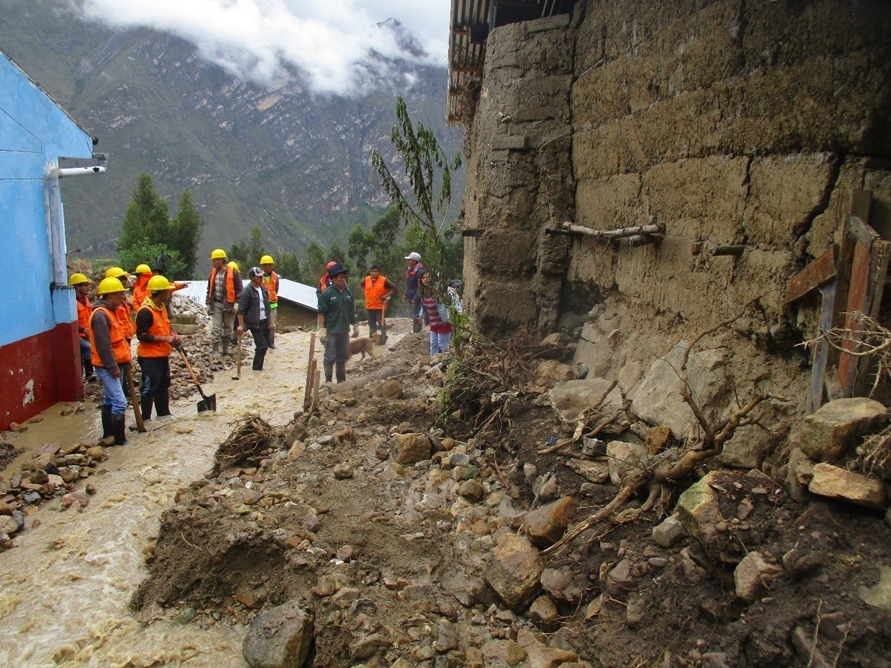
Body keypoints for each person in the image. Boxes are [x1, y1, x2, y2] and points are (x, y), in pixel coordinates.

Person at [89, 277, 133, 445]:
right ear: (111, 295)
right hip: (107, 365)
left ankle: (108, 435)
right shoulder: (101, 315)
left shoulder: (111, 311)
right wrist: (113, 367)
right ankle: (120, 441)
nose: (123, 297)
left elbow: (120, 340)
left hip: (117, 363)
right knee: (120, 402)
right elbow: (104, 346)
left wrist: (126, 360)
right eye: (121, 293)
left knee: (110, 399)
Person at [135, 275, 182, 422]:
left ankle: (164, 415)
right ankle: (145, 419)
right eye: (167, 292)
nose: (169, 294)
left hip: (162, 354)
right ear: (161, 293)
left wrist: (173, 335)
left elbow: (166, 327)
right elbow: (142, 336)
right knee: (150, 386)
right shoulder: (145, 311)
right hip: (149, 357)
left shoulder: (161, 308)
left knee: (163, 384)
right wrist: (165, 339)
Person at [316, 263, 359, 383]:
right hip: (331, 331)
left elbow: (351, 311)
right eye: (340, 277)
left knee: (342, 357)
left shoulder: (348, 293)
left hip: (344, 331)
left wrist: (355, 325)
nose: (343, 279)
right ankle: (328, 381)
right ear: (333, 278)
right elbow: (321, 314)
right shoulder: (327, 294)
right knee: (330, 357)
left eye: (344, 276)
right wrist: (322, 330)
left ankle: (341, 381)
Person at [206, 249, 243, 356]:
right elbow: (209, 289)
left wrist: (237, 303)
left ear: (221, 260)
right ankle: (215, 349)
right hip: (216, 303)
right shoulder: (213, 273)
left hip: (230, 304)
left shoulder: (233, 272)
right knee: (216, 327)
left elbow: (239, 289)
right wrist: (208, 303)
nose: (213, 262)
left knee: (228, 327)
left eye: (215, 260)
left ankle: (226, 348)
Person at [237, 267, 272, 371]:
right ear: (252, 277)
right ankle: (256, 369)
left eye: (262, 276)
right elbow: (241, 309)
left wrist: (270, 322)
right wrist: (240, 324)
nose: (261, 278)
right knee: (262, 346)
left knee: (264, 347)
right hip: (254, 323)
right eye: (258, 276)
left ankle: (259, 368)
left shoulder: (263, 290)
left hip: (264, 321)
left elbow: (267, 306)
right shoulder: (247, 291)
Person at [413, 272, 454, 357]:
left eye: (427, 277)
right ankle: (433, 364)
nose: (425, 279)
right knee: (433, 345)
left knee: (443, 346)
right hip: (433, 323)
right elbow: (424, 306)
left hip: (443, 322)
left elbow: (445, 306)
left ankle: (444, 366)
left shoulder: (438, 291)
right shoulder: (424, 292)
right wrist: (421, 315)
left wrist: (447, 319)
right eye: (423, 278)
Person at [360, 265, 397, 343]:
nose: (374, 273)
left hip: (380, 306)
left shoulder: (384, 280)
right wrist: (364, 293)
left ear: (379, 272)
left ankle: (383, 338)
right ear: (370, 272)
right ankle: (372, 339)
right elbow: (362, 285)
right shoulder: (366, 279)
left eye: (376, 271)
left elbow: (394, 288)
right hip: (369, 306)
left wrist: (386, 296)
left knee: (381, 323)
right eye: (372, 271)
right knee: (371, 323)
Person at [69, 273, 95, 381]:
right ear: (77, 286)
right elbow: (72, 321)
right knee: (83, 353)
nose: (88, 288)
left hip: (87, 333)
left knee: (88, 354)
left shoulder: (86, 300)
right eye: (85, 285)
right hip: (77, 334)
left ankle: (89, 375)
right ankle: (80, 378)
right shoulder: (71, 302)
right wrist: (82, 329)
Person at [105, 267, 136, 342]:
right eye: (122, 279)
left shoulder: (122, 298)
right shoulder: (110, 301)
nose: (125, 281)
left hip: (125, 336)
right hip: (118, 338)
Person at [260, 255, 280, 349]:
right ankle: (263, 342)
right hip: (262, 304)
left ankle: (271, 343)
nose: (269, 266)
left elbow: (276, 289)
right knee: (263, 324)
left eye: (270, 265)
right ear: (263, 266)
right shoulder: (258, 277)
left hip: (272, 304)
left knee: (272, 325)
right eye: (267, 265)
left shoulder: (275, 276)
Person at [404, 251, 425, 333]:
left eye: (409, 260)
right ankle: (415, 331)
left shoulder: (419, 272)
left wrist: (416, 298)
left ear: (414, 261)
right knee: (413, 314)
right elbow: (409, 284)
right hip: (411, 296)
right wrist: (406, 294)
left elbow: (420, 287)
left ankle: (417, 332)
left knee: (416, 314)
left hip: (416, 298)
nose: (408, 262)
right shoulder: (411, 270)